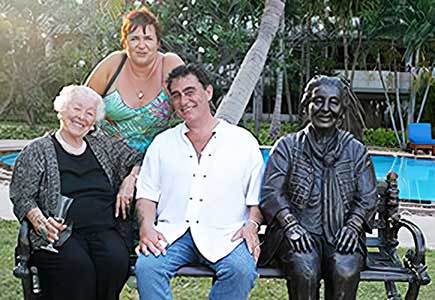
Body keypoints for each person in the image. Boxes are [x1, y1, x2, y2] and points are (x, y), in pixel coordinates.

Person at [134, 64, 264, 300]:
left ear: (208, 92)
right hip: (172, 233)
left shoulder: (242, 142)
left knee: (241, 270)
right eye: (176, 95)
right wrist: (147, 227)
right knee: (147, 268)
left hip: (226, 233)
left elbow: (256, 197)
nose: (184, 101)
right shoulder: (162, 143)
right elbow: (146, 194)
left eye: (190, 91)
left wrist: (252, 225)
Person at [10, 85, 142, 300]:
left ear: (94, 122)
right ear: (61, 110)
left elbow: (138, 158)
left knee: (115, 261)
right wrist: (40, 222)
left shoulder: (102, 146)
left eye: (89, 113)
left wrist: (131, 179)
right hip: (59, 233)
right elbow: (22, 196)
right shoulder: (37, 150)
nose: (81, 117)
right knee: (77, 268)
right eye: (76, 108)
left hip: (104, 230)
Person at [259, 75, 378, 300]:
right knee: (305, 269)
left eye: (333, 102)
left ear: (342, 110)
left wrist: (353, 226)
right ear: (307, 106)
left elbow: (368, 197)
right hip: (296, 233)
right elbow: (271, 193)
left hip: (342, 234)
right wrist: (290, 225)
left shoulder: (355, 150)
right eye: (318, 101)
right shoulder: (287, 146)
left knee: (345, 268)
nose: (325, 108)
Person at [86, 7, 184, 203]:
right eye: (134, 38)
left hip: (153, 162)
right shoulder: (113, 63)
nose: (141, 45)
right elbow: (80, 107)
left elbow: (191, 107)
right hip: (105, 159)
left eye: (148, 38)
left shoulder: (170, 65)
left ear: (158, 42)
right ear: (125, 42)